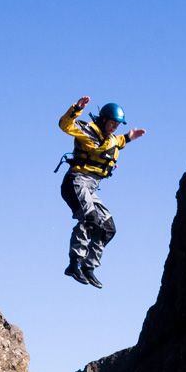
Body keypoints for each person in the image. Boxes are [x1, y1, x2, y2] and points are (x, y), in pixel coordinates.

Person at [58, 96, 146, 288]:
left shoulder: (113, 138)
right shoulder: (87, 129)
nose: (115, 127)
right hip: (76, 181)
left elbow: (120, 141)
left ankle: (89, 267)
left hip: (91, 187)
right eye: (112, 122)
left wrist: (130, 137)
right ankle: (75, 263)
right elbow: (65, 125)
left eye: (118, 124)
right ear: (104, 119)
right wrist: (76, 109)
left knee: (107, 227)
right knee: (89, 218)